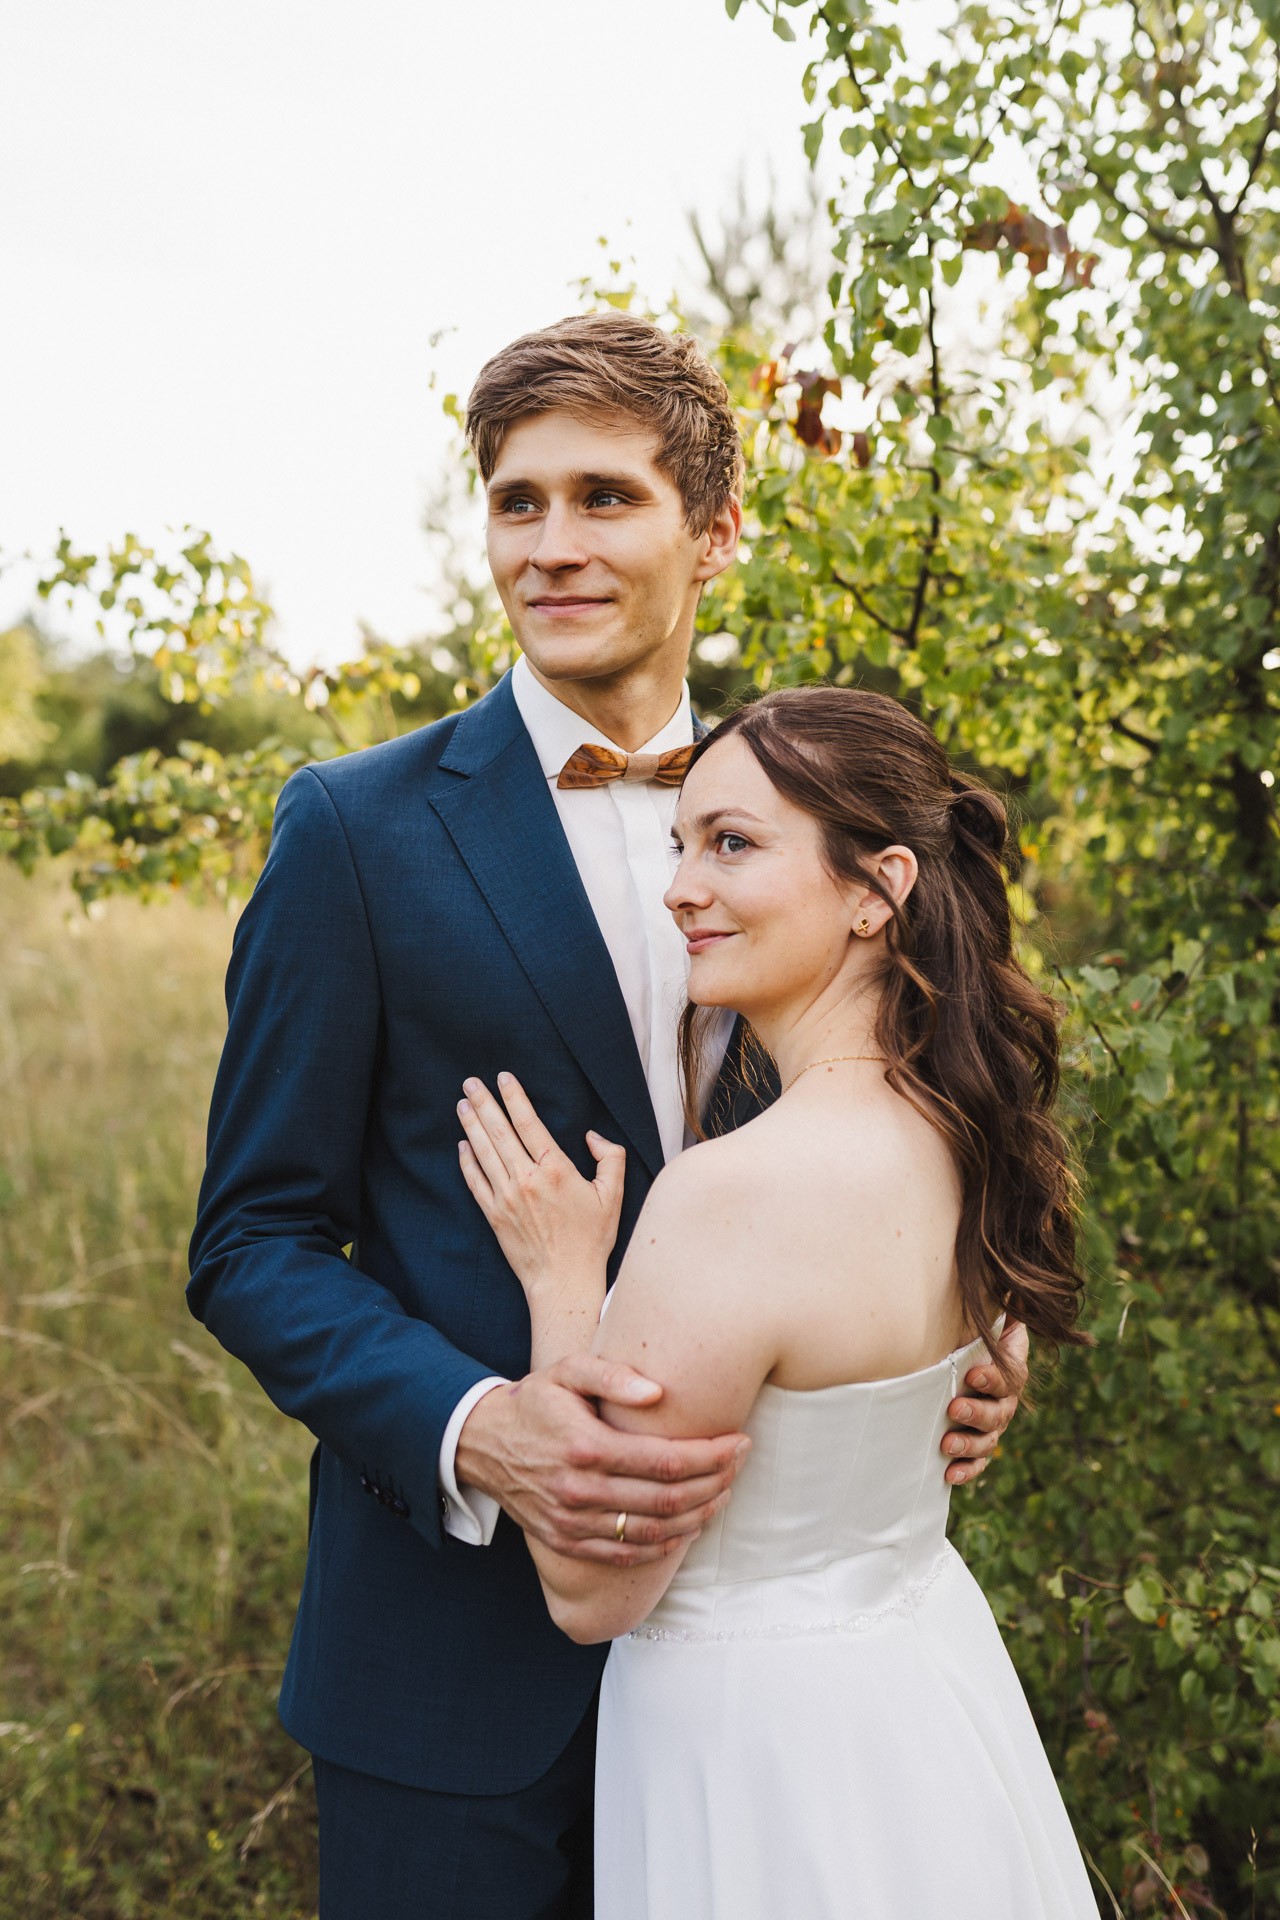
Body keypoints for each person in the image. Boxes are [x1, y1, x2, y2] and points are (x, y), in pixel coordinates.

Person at [187, 313, 1027, 1920]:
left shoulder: (810, 808)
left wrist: (976, 1339)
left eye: (604, 498)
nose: (551, 548)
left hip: (767, 1697)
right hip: (453, 1681)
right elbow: (253, 1241)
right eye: (517, 503)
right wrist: (472, 1428)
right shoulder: (354, 832)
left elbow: (937, 1097)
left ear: (716, 530)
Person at [456, 683, 1097, 1918]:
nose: (680, 887)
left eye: (731, 845)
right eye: (680, 843)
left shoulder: (728, 1197)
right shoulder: (965, 1133)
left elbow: (590, 1595)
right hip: (921, 1696)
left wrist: (558, 1284)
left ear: (877, 888)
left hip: (757, 1753)